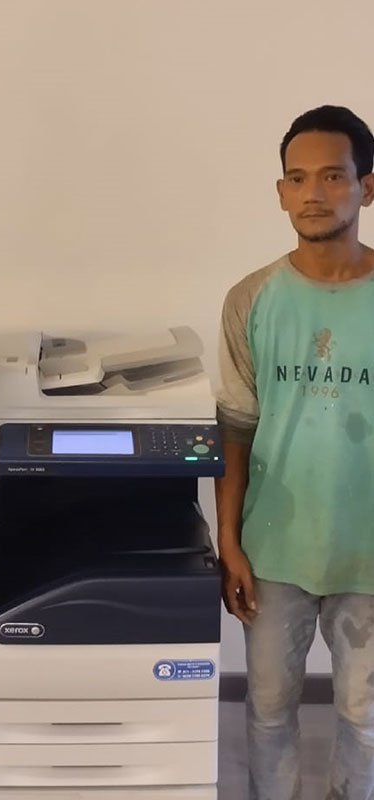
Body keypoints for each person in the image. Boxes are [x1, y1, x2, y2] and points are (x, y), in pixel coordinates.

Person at [216, 105, 374, 800]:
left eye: (333, 176)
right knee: (270, 710)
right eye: (298, 178)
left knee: (364, 718)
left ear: (367, 187)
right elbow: (235, 428)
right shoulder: (251, 299)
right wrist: (229, 542)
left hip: (368, 552)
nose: (313, 193)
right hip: (275, 549)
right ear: (281, 192)